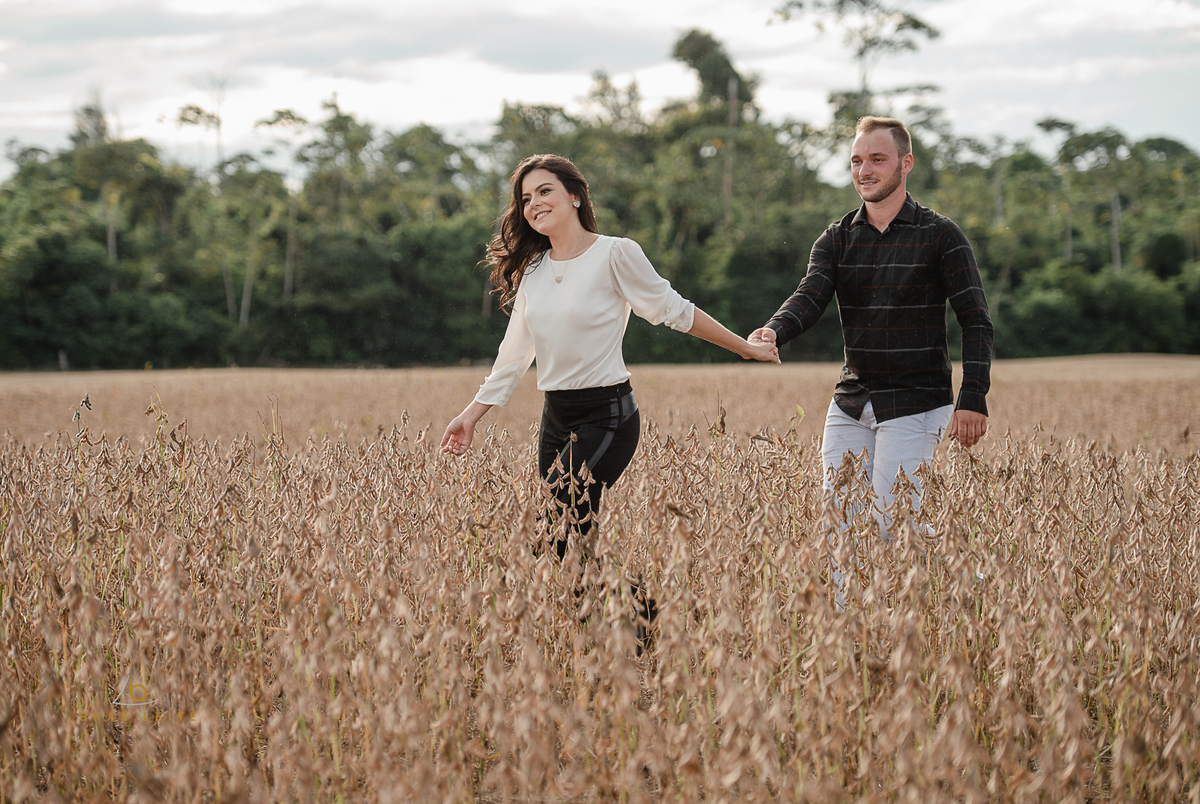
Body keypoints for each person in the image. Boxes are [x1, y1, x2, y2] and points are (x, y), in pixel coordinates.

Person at [441, 154, 778, 634]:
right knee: (571, 540)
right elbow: (514, 354)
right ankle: (631, 633)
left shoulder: (615, 253)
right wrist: (471, 415)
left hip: (608, 415)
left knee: (556, 530)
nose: (534, 203)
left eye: (545, 191)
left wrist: (743, 347)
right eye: (525, 198)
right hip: (555, 418)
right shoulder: (533, 271)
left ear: (574, 195)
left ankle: (648, 625)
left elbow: (671, 309)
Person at [748, 116, 993, 600]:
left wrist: (973, 397)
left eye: (877, 160)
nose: (865, 170)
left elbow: (976, 320)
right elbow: (810, 295)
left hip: (917, 402)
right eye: (857, 161)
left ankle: (970, 586)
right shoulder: (836, 239)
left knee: (889, 521)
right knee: (839, 522)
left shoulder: (941, 235)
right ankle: (844, 629)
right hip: (852, 402)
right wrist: (774, 329)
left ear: (906, 164)